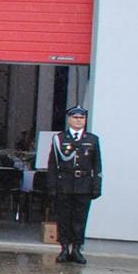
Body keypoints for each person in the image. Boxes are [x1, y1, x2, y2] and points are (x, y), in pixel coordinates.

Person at [47, 106, 103, 265]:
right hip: (64, 184)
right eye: (76, 118)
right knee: (63, 218)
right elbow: (52, 165)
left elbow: (97, 165)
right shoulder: (60, 138)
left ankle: (77, 249)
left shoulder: (92, 139)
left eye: (82, 118)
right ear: (69, 119)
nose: (79, 121)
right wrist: (51, 186)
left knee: (80, 219)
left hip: (84, 185)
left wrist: (96, 186)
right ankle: (64, 248)